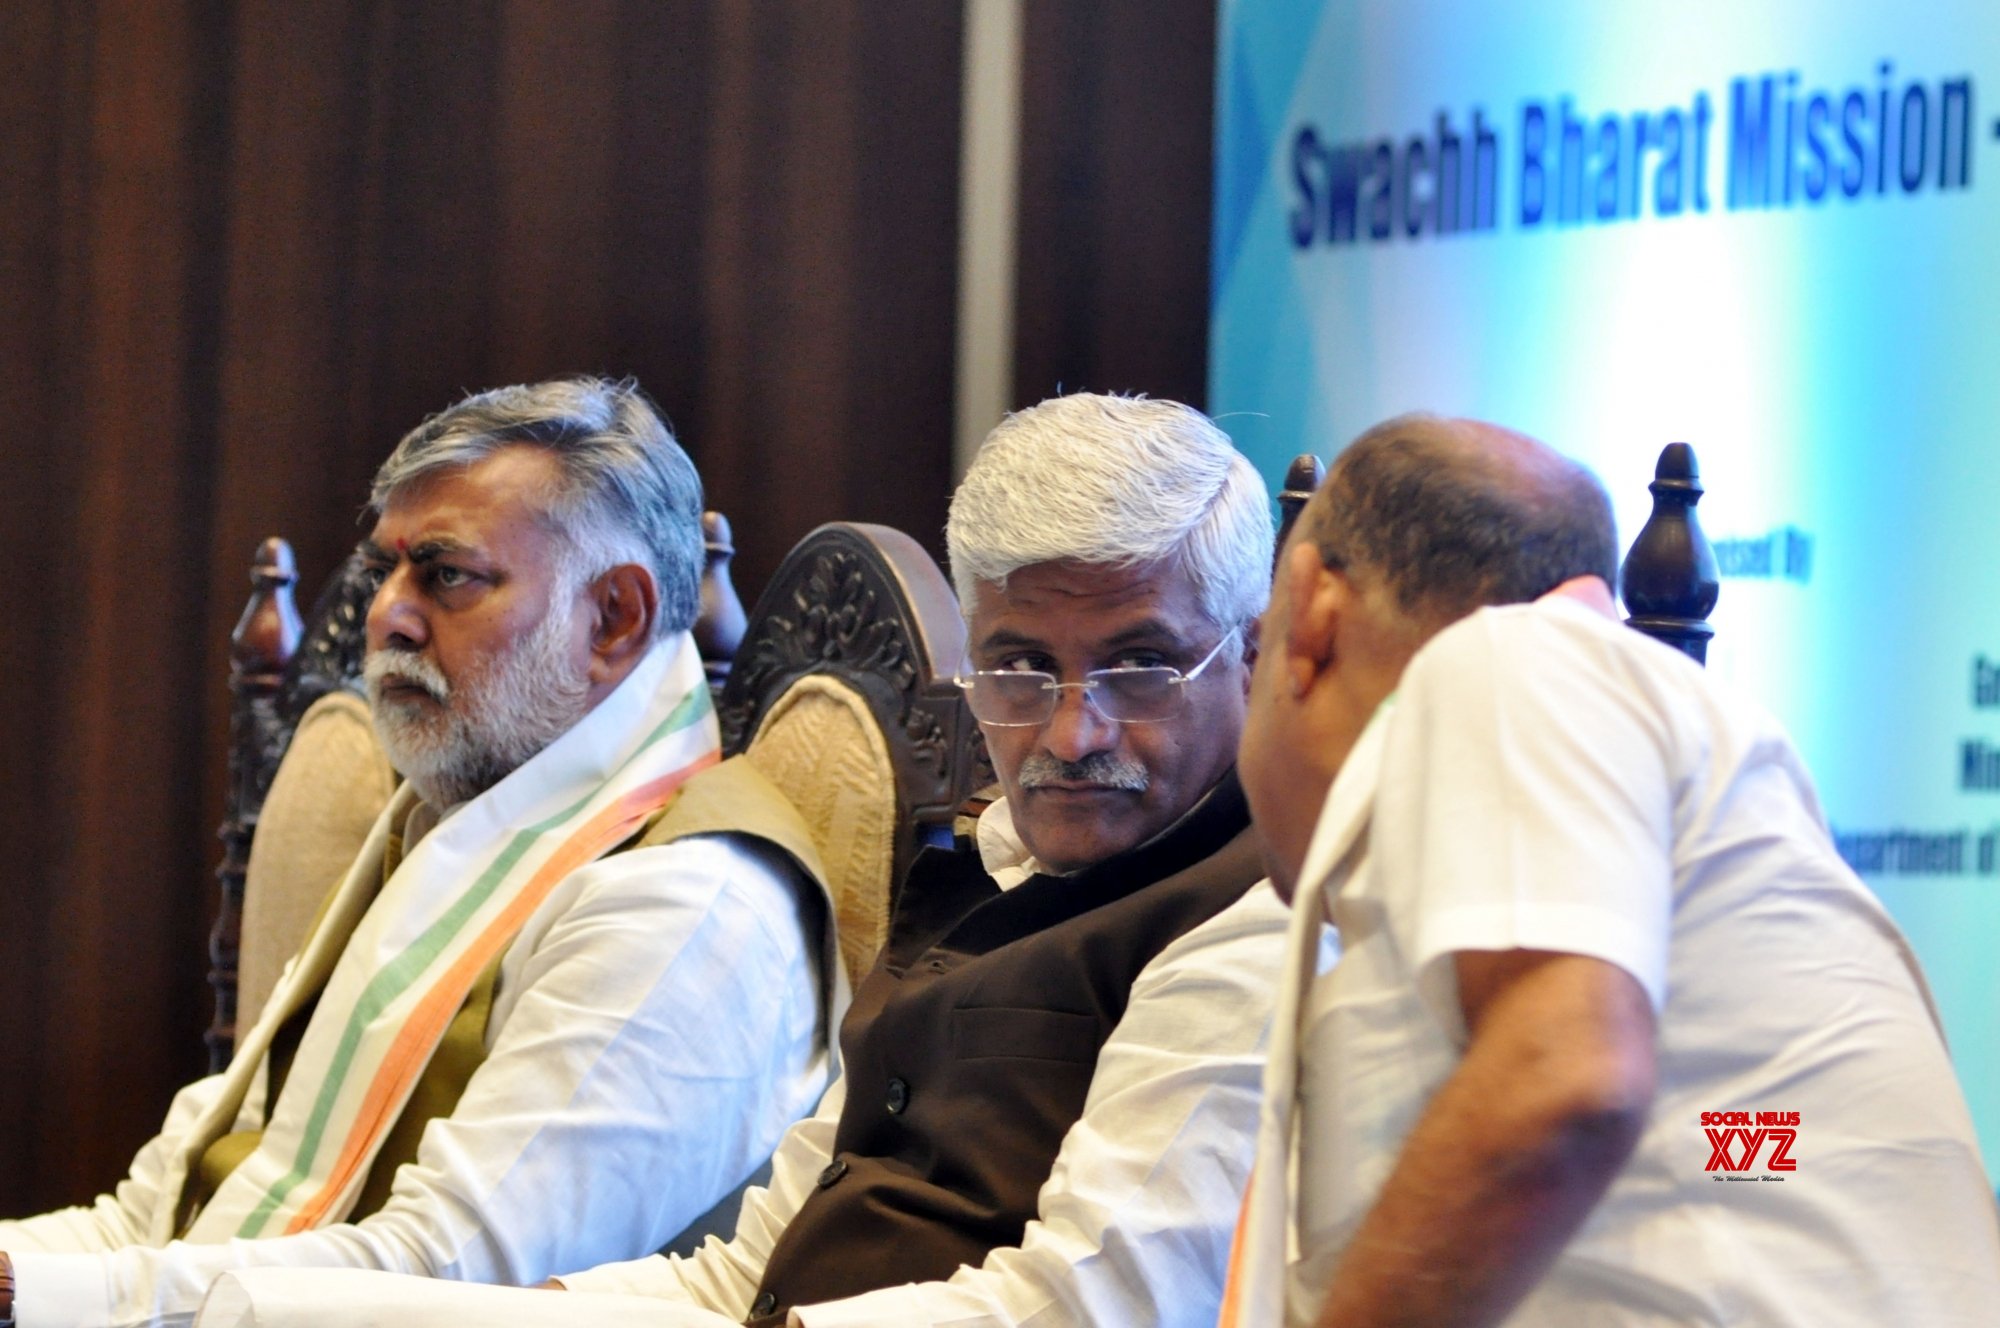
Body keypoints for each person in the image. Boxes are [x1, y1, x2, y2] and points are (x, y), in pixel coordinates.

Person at [195, 392, 1321, 1328]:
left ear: (1257, 654)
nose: (1072, 731)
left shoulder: (1249, 910)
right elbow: (746, 1271)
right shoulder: (988, 864)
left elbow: (1076, 1310)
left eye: (1139, 667)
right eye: (1020, 667)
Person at [0, 378, 839, 1328]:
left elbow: (437, 1281)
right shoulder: (463, 821)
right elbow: (165, 1213)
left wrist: (32, 1296)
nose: (386, 616)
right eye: (385, 572)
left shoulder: (690, 900)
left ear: (613, 619)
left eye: (446, 575)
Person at [1223, 414, 2000, 1327]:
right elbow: (1726, 1150)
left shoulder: (1510, 654)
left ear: (1310, 609)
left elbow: (1563, 1084)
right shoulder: (1638, 729)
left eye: (1255, 647)